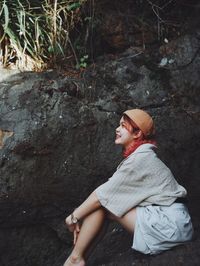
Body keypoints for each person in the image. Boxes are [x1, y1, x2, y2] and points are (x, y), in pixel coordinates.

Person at [64, 109, 193, 266]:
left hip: (169, 226)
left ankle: (75, 259)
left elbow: (101, 196)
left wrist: (73, 217)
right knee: (106, 204)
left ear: (137, 133)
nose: (117, 129)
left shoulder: (140, 160)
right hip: (174, 224)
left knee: (104, 205)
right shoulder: (142, 156)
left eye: (123, 126)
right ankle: (78, 259)